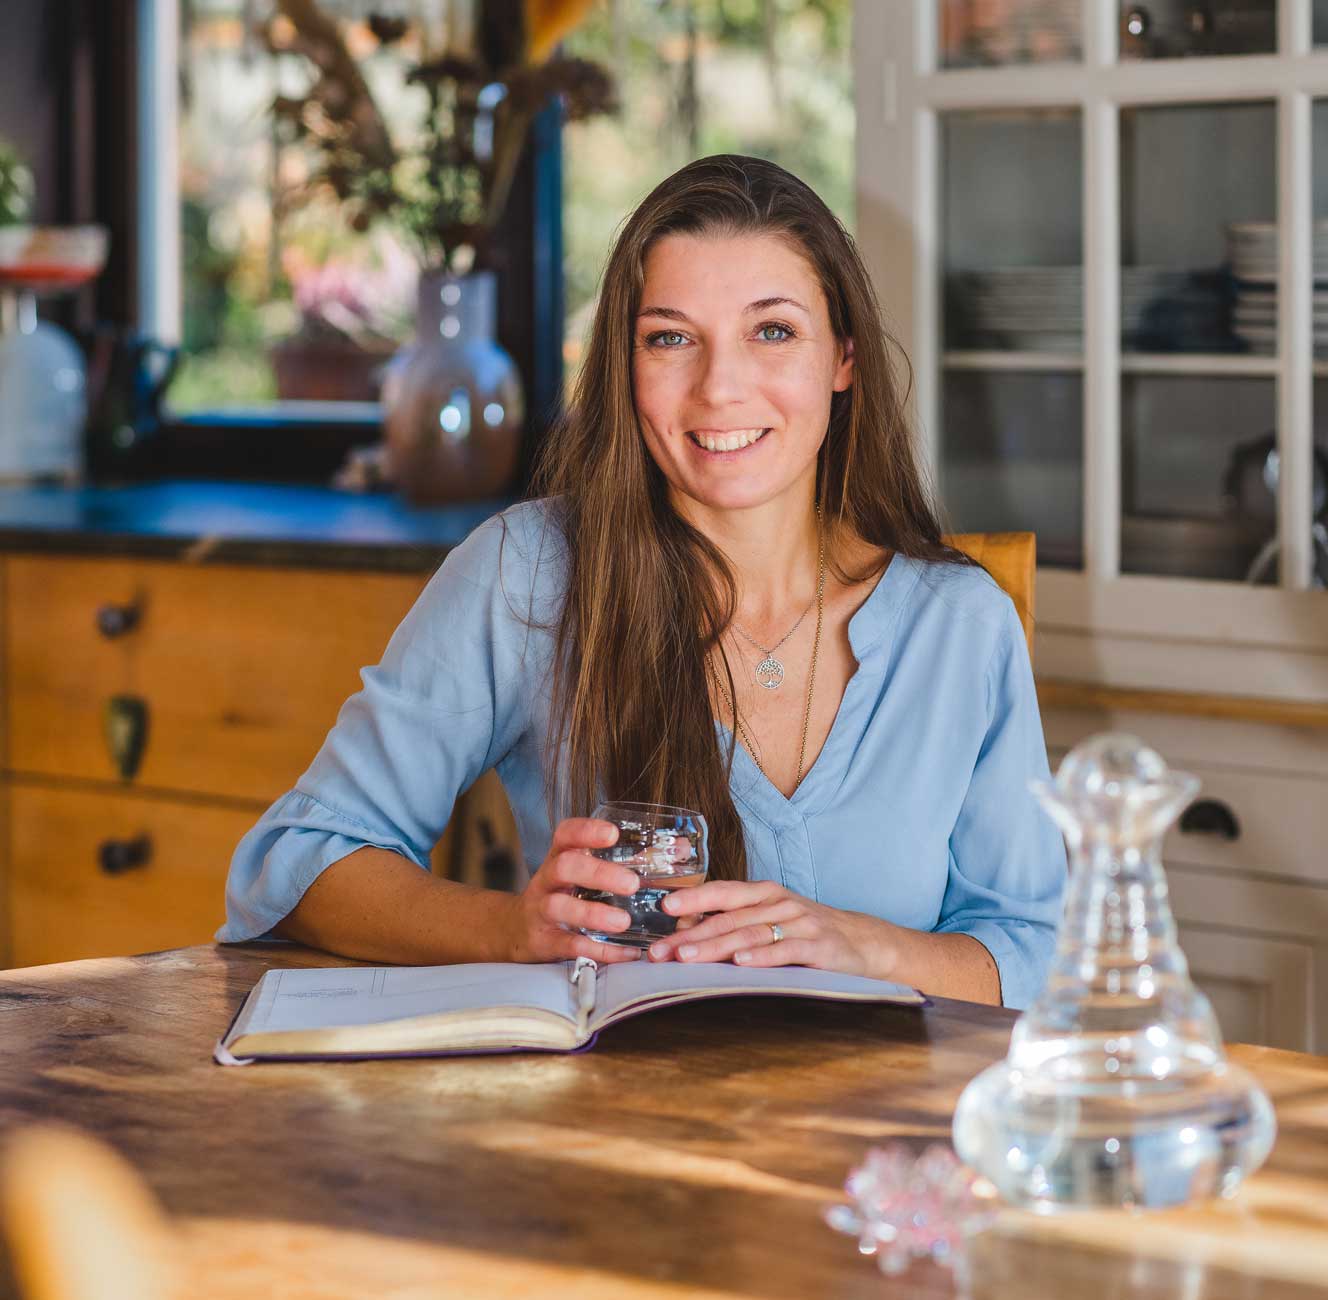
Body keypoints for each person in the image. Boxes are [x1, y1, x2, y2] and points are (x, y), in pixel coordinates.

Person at [219, 155, 1066, 1009]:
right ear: (624, 368)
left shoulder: (961, 625)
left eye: (772, 331)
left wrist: (868, 948)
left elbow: (1042, 954)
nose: (720, 387)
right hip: (609, 1126)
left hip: (887, 1137)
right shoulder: (527, 573)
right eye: (671, 338)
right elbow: (298, 861)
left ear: (843, 359)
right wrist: (513, 929)